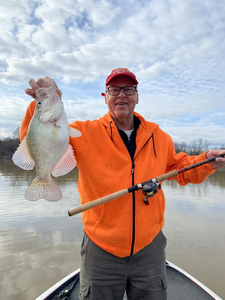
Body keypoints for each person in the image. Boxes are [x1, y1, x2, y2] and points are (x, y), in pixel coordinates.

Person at [20, 68, 225, 300]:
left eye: (128, 90)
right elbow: (34, 140)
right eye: (114, 90)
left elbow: (181, 169)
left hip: (150, 248)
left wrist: (206, 160)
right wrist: (41, 103)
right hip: (101, 248)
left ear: (137, 96)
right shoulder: (82, 132)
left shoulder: (160, 137)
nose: (121, 95)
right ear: (104, 96)